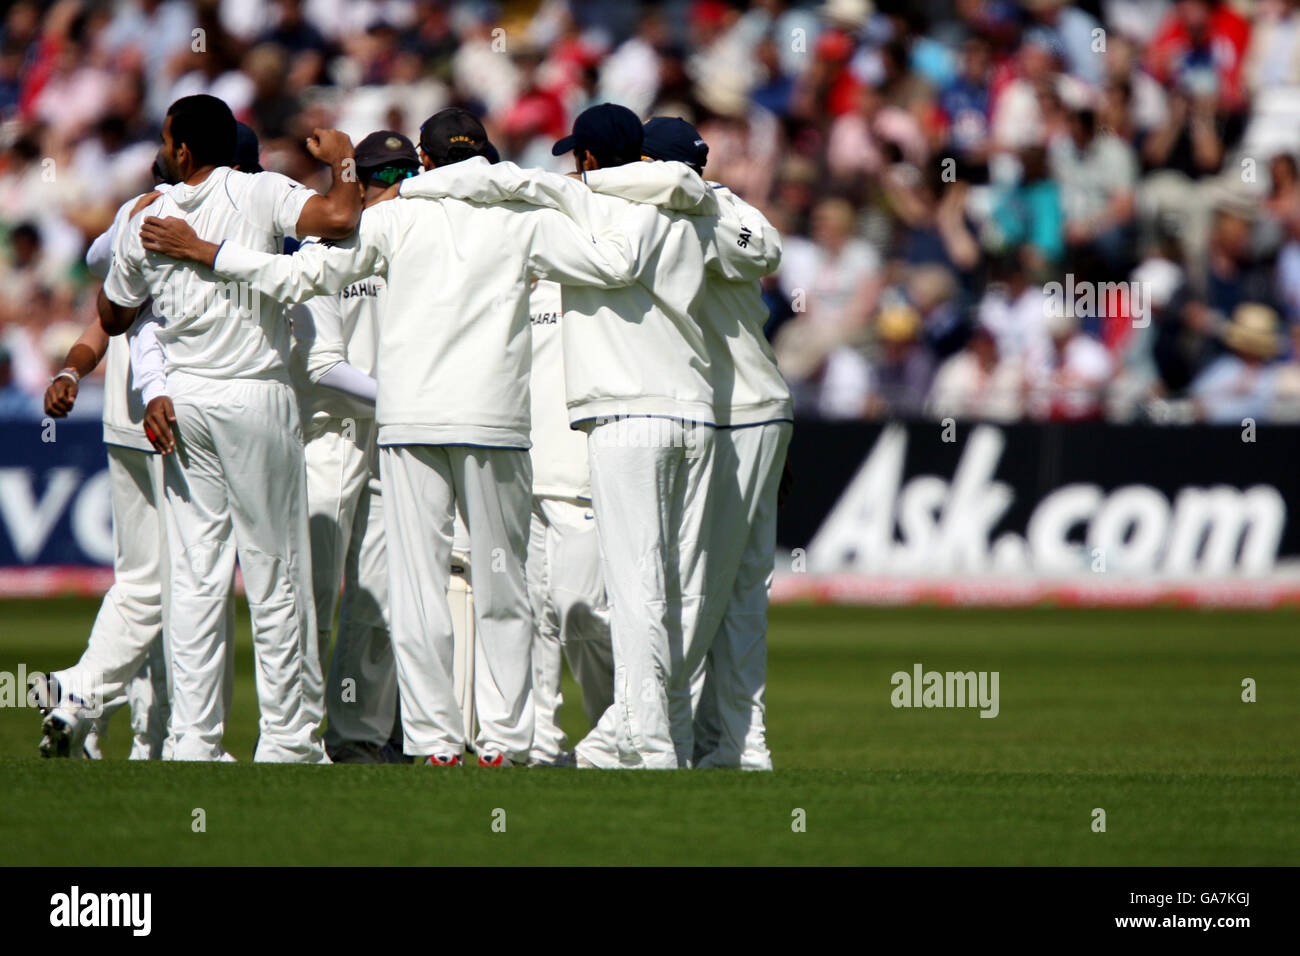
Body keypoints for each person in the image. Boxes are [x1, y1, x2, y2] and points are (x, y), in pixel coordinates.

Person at [138, 108, 640, 767]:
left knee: (418, 586)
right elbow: (618, 263)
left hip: (408, 426)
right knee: (501, 586)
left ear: (426, 163)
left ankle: (434, 744)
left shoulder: (392, 219)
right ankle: (506, 741)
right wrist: (551, 186)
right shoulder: (524, 220)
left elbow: (301, 276)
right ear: (482, 157)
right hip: (493, 424)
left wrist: (211, 253)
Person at [398, 104, 778, 768]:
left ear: (592, 160)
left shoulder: (584, 201)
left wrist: (412, 186)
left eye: (578, 158)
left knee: (636, 590)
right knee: (677, 589)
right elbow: (726, 224)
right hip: (694, 414)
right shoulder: (689, 208)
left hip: (626, 417)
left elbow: (501, 182)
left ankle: (648, 742)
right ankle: (665, 734)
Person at [96, 94, 362, 762]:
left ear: (182, 150)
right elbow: (338, 215)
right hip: (255, 394)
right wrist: (346, 161)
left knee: (195, 576)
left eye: (166, 140)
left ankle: (193, 739)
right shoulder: (260, 191)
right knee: (277, 570)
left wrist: (130, 242)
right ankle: (289, 741)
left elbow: (114, 315)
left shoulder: (144, 213)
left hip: (184, 402)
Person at [636, 116, 791, 770]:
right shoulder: (656, 213)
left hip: (743, 411)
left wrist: (705, 199)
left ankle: (698, 738)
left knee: (720, 584)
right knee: (729, 585)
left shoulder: (714, 209)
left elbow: (766, 251)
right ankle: (726, 743)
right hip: (720, 412)